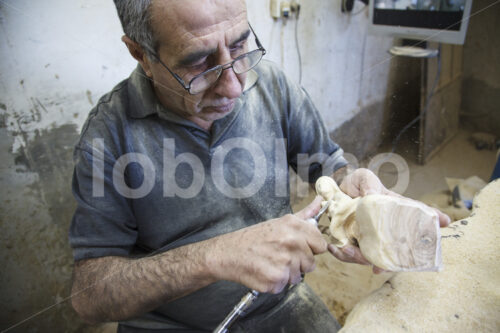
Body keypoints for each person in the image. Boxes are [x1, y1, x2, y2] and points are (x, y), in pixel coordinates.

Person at [69, 0, 450, 332]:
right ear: (142, 55)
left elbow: (327, 166)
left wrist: (353, 187)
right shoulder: (108, 137)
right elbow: (89, 297)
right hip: (172, 324)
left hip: (281, 301)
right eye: (198, 63)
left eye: (239, 45)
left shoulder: (271, 85)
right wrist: (213, 256)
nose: (234, 86)